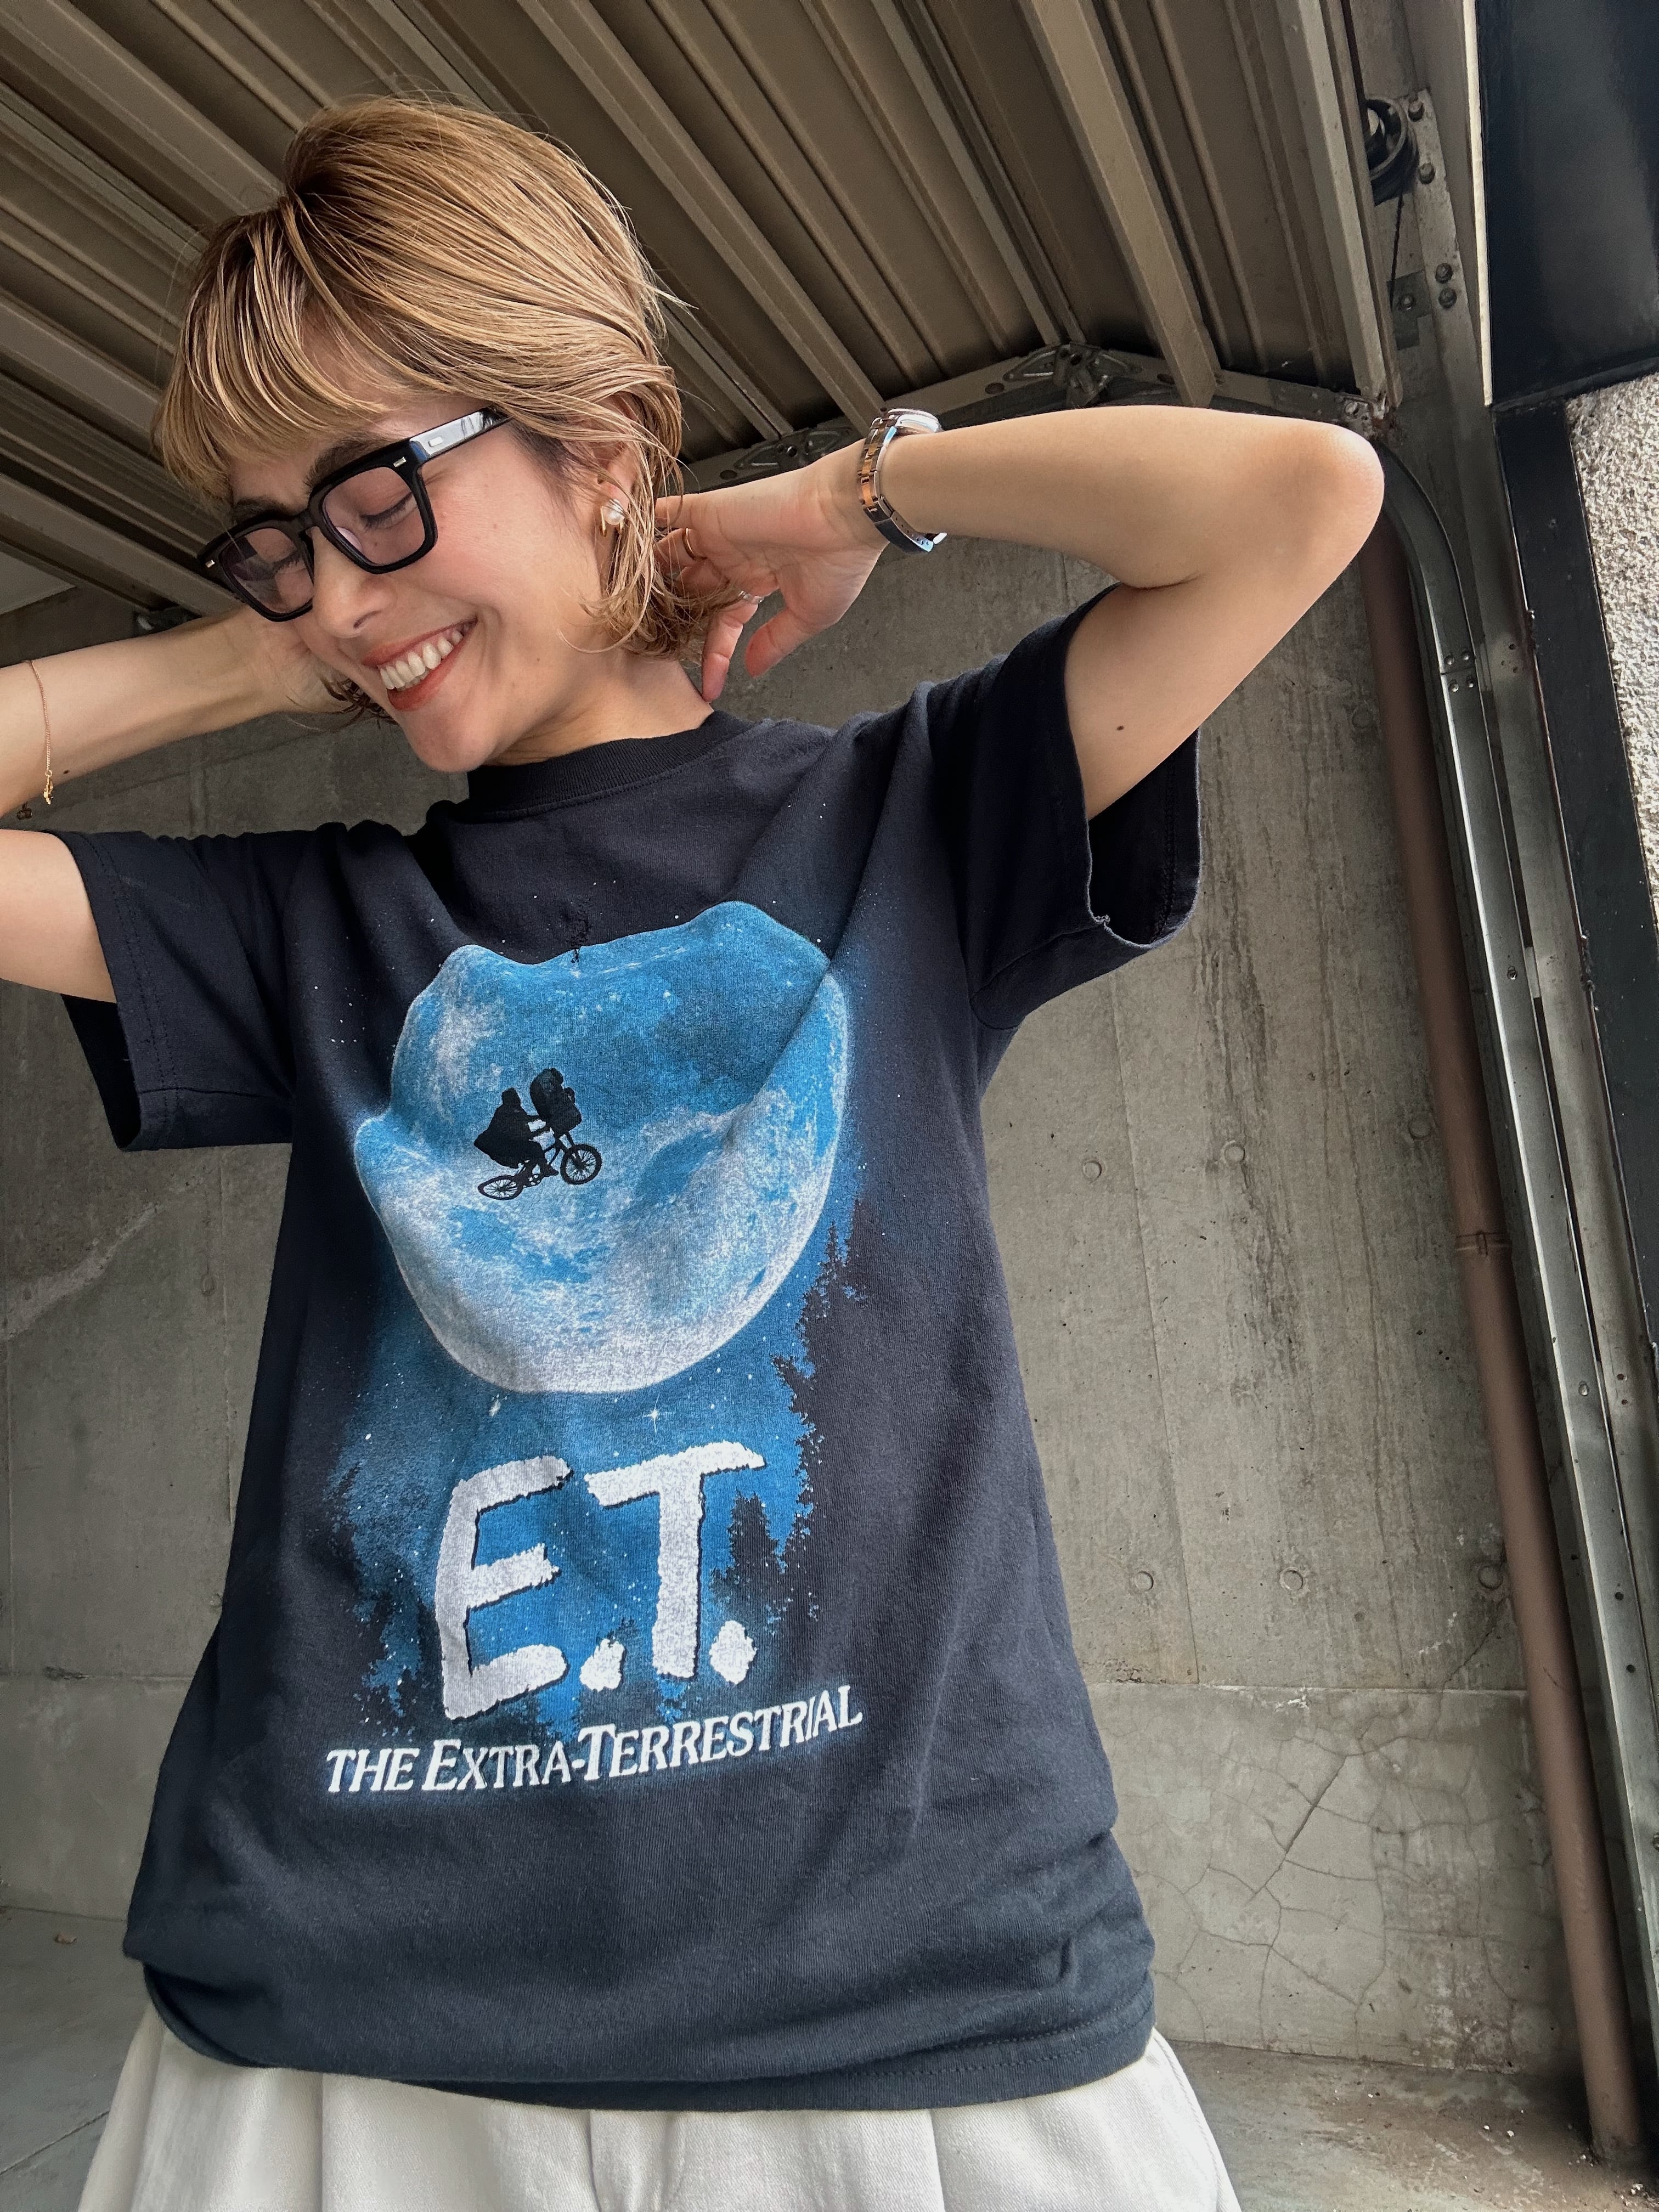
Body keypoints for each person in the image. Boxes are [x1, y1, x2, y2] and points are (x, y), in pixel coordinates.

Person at [0, 98, 1381, 2212]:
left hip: (912, 1996)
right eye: (275, 536)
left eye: (373, 491)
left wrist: (847, 493)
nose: (337, 585)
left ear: (598, 443)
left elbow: (1297, 498)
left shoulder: (905, 823)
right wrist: (246, 656)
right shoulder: (312, 927)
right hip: (353, 2021)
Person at [475, 1086, 546, 1177]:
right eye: (516, 1097)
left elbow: (526, 1118)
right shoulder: (508, 1113)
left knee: (533, 1152)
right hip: (505, 1151)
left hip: (506, 1148)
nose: (519, 1099)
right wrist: (542, 1130)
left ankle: (525, 1175)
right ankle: (544, 1169)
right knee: (536, 1148)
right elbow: (523, 1135)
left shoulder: (511, 1110)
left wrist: (540, 1118)